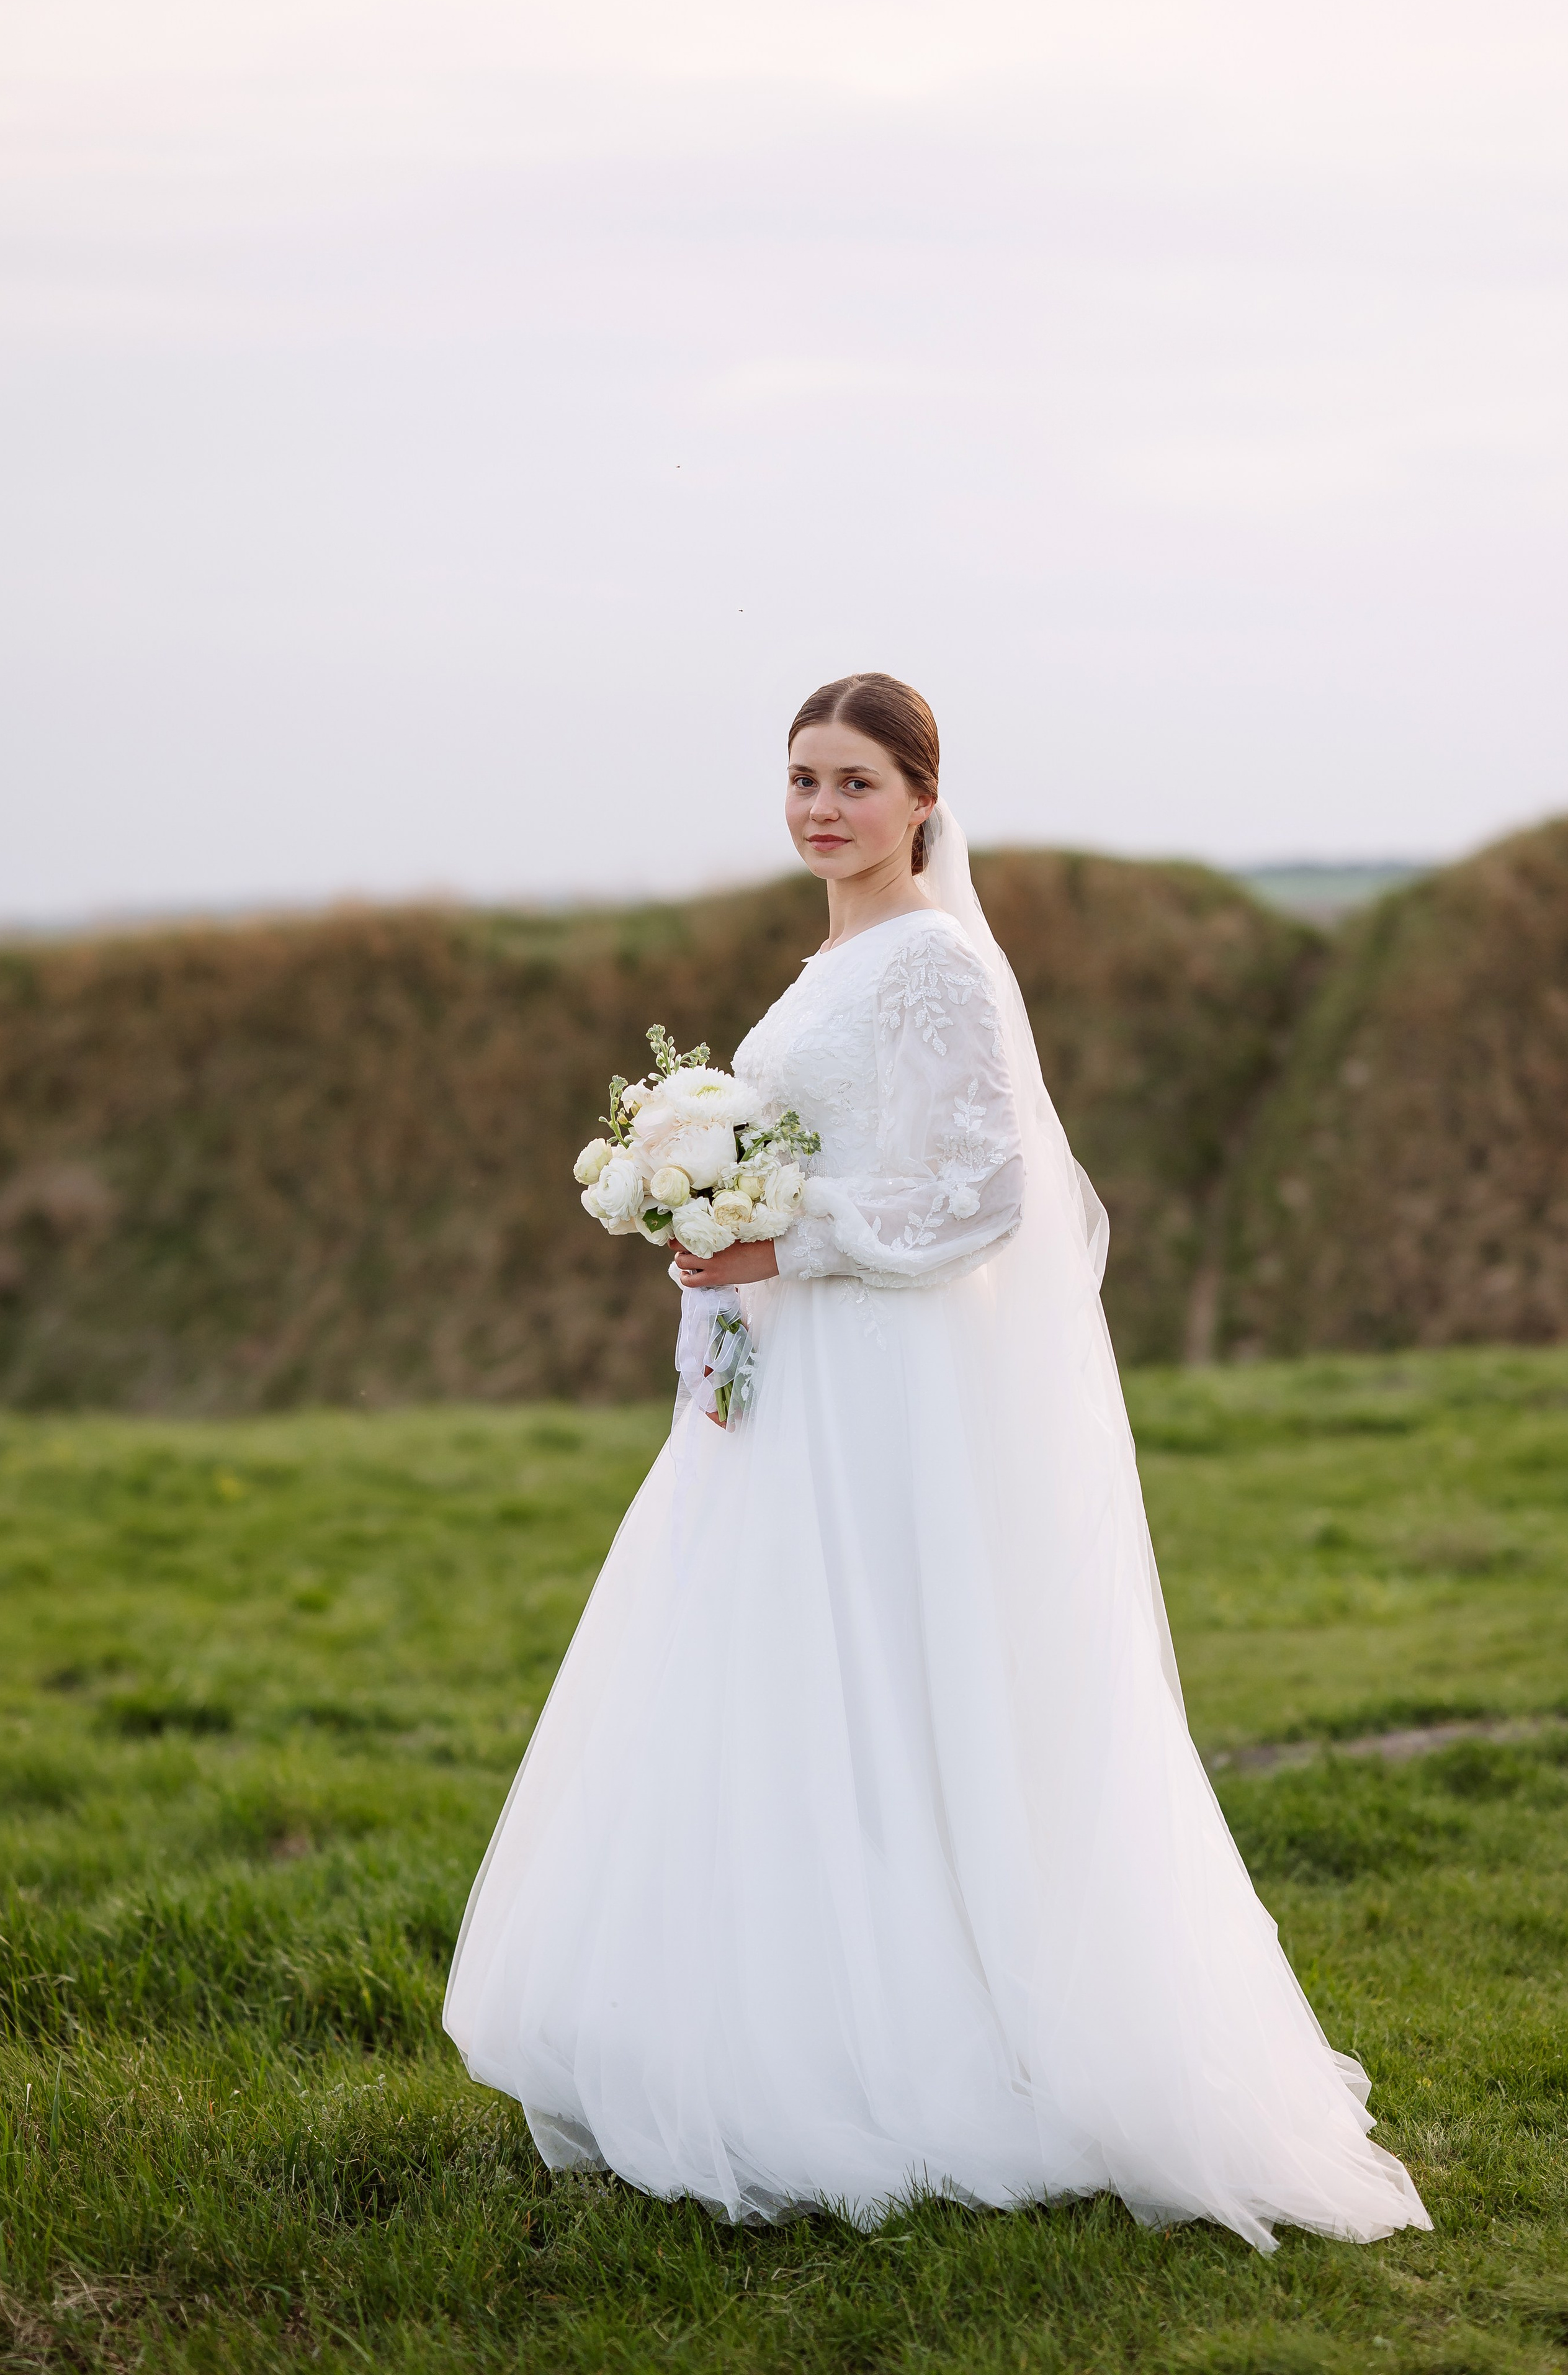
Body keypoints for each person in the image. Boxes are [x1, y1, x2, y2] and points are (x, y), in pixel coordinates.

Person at [444, 672, 1430, 2251]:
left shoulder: (937, 964)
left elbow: (979, 1195)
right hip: (790, 1374)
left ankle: (912, 2049)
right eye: (801, 778)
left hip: (880, 1381)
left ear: (920, 796)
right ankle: (744, 2019)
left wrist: (781, 1235)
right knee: (771, 1678)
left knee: (886, 1681)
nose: (820, 808)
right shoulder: (831, 958)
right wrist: (710, 1229)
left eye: (853, 780)